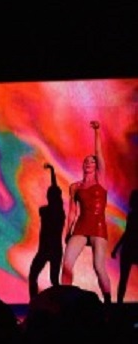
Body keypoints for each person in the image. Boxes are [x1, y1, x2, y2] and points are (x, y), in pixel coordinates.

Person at [61, 121, 111, 304]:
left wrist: (97, 131)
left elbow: (98, 153)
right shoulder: (75, 187)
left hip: (98, 226)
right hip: (81, 226)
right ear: (83, 165)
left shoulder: (100, 181)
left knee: (98, 266)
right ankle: (64, 302)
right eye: (87, 161)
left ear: (96, 166)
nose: (90, 163)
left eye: (93, 161)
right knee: (67, 264)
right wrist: (68, 231)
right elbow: (72, 212)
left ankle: (108, 303)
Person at [28, 163, 65, 300]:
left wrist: (52, 172)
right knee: (53, 280)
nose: (47, 196)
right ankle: (39, 303)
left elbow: (55, 190)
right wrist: (52, 171)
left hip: (46, 249)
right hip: (54, 250)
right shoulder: (60, 212)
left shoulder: (45, 211)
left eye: (49, 194)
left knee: (36, 276)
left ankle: (36, 302)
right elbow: (55, 190)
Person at [111, 189, 138, 305]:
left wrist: (116, 248)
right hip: (130, 248)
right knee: (123, 278)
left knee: (123, 278)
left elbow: (127, 233)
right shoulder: (131, 215)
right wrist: (116, 248)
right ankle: (119, 303)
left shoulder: (132, 215)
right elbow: (127, 233)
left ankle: (119, 303)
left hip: (129, 248)